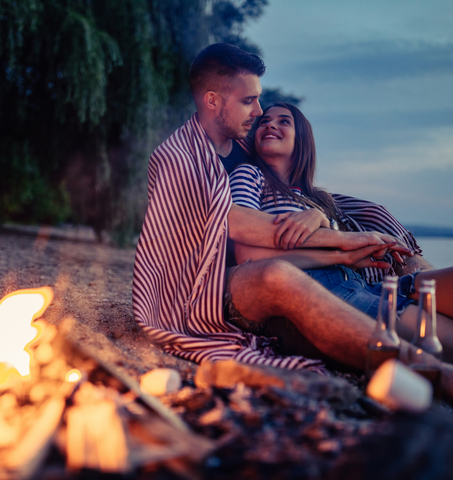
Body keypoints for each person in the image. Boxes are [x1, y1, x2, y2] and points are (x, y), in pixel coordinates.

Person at [132, 43, 453, 394]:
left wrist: (319, 215)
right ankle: (436, 377)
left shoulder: (241, 145)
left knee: (422, 302)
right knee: (281, 277)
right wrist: (338, 243)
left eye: (262, 104)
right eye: (249, 102)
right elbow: (232, 222)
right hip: (213, 289)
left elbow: (312, 198)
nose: (258, 113)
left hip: (345, 279)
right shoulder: (184, 158)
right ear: (212, 101)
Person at [228, 103, 453, 359]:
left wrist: (319, 215)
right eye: (265, 121)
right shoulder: (250, 175)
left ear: (302, 140)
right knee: (442, 341)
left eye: (283, 121)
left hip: (364, 285)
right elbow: (247, 256)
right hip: (327, 292)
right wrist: (339, 254)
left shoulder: (321, 200)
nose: (270, 124)